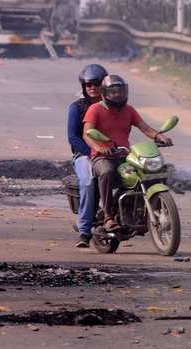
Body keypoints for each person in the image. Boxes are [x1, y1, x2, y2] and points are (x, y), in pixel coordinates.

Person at [83, 74, 172, 232]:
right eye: (113, 92)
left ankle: (139, 211)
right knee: (107, 172)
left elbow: (145, 128)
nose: (117, 95)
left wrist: (159, 136)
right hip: (102, 157)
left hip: (124, 156)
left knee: (149, 171)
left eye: (120, 91)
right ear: (104, 93)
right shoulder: (95, 109)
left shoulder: (129, 110)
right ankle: (108, 216)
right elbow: (87, 133)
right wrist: (99, 148)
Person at [67, 64, 108, 248]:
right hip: (85, 155)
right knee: (89, 181)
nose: (92, 87)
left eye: (96, 83)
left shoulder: (113, 106)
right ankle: (84, 231)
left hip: (110, 153)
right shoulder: (77, 108)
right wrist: (91, 152)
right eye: (88, 84)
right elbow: (73, 137)